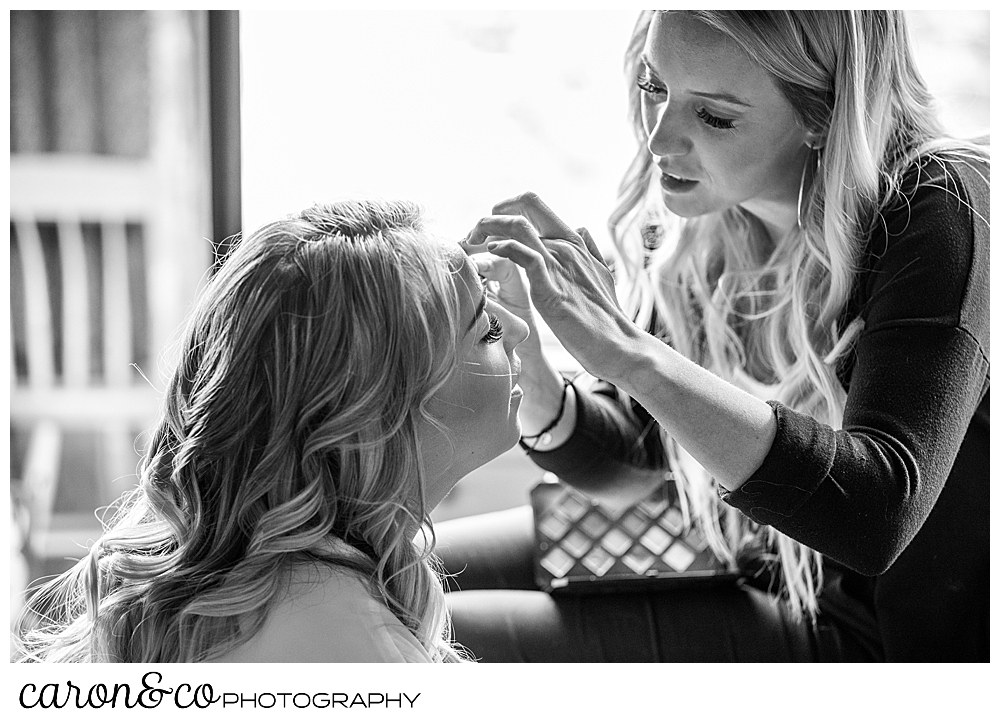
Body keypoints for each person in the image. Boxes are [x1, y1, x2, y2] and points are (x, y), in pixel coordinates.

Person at [438, 9, 989, 662]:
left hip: (874, 640)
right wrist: (536, 380)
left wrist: (628, 352)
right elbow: (641, 460)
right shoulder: (707, 218)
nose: (659, 140)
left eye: (714, 117)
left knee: (426, 636)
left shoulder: (943, 209)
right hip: (743, 560)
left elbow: (876, 513)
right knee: (386, 574)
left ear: (824, 115)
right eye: (653, 86)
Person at [12, 199, 529, 663]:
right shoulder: (345, 648)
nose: (521, 331)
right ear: (376, 415)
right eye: (487, 329)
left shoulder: (282, 588)